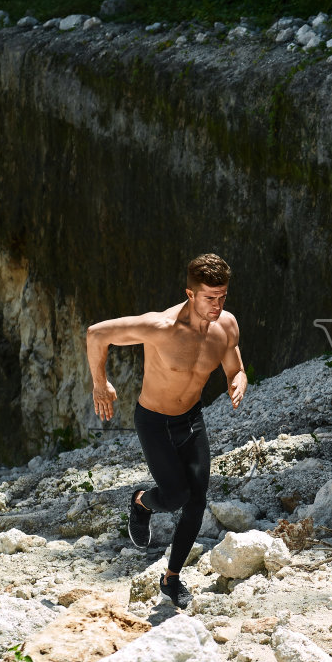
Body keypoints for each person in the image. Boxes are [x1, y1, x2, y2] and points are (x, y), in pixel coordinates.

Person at [86, 254, 247, 609]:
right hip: (154, 422)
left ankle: (171, 578)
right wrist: (100, 383)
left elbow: (234, 364)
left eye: (222, 297)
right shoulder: (159, 327)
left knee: (196, 501)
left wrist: (238, 379)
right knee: (174, 496)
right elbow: (97, 334)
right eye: (209, 298)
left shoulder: (227, 325)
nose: (217, 306)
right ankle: (141, 502)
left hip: (191, 419)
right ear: (190, 294)